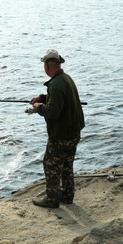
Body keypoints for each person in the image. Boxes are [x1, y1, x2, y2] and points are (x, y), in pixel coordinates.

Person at [28, 49, 85, 208]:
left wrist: (38, 107)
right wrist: (43, 97)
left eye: (44, 64)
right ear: (58, 64)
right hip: (73, 133)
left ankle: (52, 199)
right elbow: (60, 101)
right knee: (67, 165)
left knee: (50, 164)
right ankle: (67, 196)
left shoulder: (56, 84)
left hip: (61, 135)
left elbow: (53, 112)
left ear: (48, 65)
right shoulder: (66, 78)